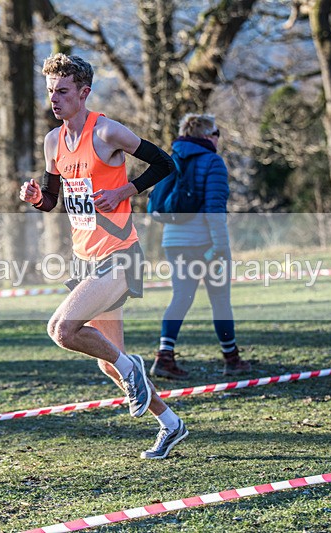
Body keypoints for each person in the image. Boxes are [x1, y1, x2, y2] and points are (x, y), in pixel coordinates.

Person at [19, 53, 188, 460]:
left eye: (62, 91)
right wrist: (37, 198)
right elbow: (54, 201)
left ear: (83, 93)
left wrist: (124, 192)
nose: (54, 100)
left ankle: (134, 370)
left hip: (120, 256)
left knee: (62, 329)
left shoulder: (108, 132)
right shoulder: (53, 142)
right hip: (85, 261)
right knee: (109, 363)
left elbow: (167, 163)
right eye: (50, 92)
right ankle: (170, 423)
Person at [150, 113, 253, 380]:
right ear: (207, 136)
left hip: (173, 242)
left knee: (180, 299)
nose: (219, 138)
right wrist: (220, 245)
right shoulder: (213, 162)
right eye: (217, 133)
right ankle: (231, 359)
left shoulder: (170, 159)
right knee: (220, 300)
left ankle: (164, 357)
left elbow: (155, 205)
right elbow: (214, 209)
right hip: (206, 242)